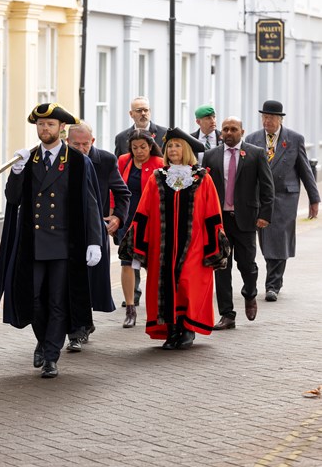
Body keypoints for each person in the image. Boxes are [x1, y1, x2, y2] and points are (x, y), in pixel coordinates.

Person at [0, 103, 104, 378]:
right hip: (34, 242)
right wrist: (16, 173)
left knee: (58, 301)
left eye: (50, 124)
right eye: (40, 125)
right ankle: (43, 339)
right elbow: (13, 199)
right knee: (34, 298)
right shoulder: (27, 159)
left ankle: (51, 356)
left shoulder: (77, 160)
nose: (45, 129)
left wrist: (94, 241)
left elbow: (90, 203)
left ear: (62, 128)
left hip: (64, 243)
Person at [119, 127, 229, 349]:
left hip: (194, 243)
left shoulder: (201, 178)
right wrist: (138, 243)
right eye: (169, 146)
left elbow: (212, 214)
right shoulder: (158, 177)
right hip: (163, 244)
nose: (173, 149)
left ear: (186, 149)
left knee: (187, 281)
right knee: (165, 285)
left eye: (177, 145)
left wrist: (214, 246)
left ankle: (187, 328)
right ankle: (172, 329)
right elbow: (144, 211)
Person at [203, 116, 275, 330]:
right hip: (219, 221)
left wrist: (264, 215)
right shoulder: (211, 156)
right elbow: (204, 189)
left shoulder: (255, 154)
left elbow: (267, 188)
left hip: (246, 220)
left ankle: (250, 294)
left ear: (242, 132)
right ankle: (227, 314)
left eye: (233, 129)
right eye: (225, 129)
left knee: (247, 265)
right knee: (221, 267)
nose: (228, 133)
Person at [65, 121, 131, 352]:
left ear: (92, 142)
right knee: (68, 281)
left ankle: (82, 325)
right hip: (65, 230)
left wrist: (117, 219)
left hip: (94, 229)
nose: (81, 149)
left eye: (85, 144)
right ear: (67, 142)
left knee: (90, 281)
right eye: (76, 144)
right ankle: (77, 329)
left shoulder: (105, 160)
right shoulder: (61, 161)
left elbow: (123, 194)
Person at [245, 100, 320, 302]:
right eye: (264, 117)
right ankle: (273, 280)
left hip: (285, 196)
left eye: (270, 117)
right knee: (266, 239)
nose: (266, 121)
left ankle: (273, 285)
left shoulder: (294, 139)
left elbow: (305, 170)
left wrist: (314, 199)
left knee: (279, 239)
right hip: (261, 198)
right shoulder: (252, 139)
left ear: (280, 119)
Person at [115, 96, 167, 306]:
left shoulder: (163, 133)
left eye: (146, 110)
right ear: (131, 114)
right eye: (138, 110)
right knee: (128, 256)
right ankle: (132, 298)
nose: (143, 113)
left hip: (154, 211)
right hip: (128, 209)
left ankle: (157, 298)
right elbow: (116, 176)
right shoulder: (121, 138)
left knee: (152, 258)